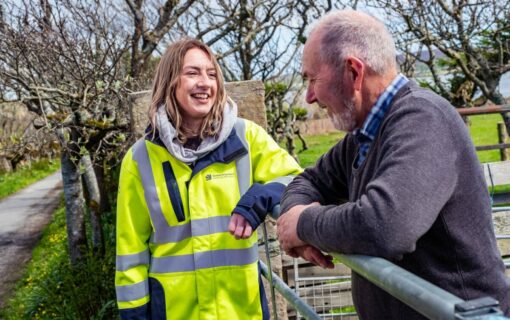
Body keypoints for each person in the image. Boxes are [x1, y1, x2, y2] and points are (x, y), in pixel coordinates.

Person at [276, 10, 510, 319]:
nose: (308, 96)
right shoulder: (364, 133)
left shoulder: (423, 120)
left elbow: (384, 226)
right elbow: (308, 182)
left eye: (312, 78)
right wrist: (298, 220)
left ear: (353, 72)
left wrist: (305, 225)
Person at [115, 38, 302, 319]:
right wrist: (134, 315)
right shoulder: (140, 158)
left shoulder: (246, 138)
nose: (205, 82)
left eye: (212, 74)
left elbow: (298, 180)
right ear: (170, 82)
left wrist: (261, 196)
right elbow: (130, 253)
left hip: (242, 311)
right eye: (192, 73)